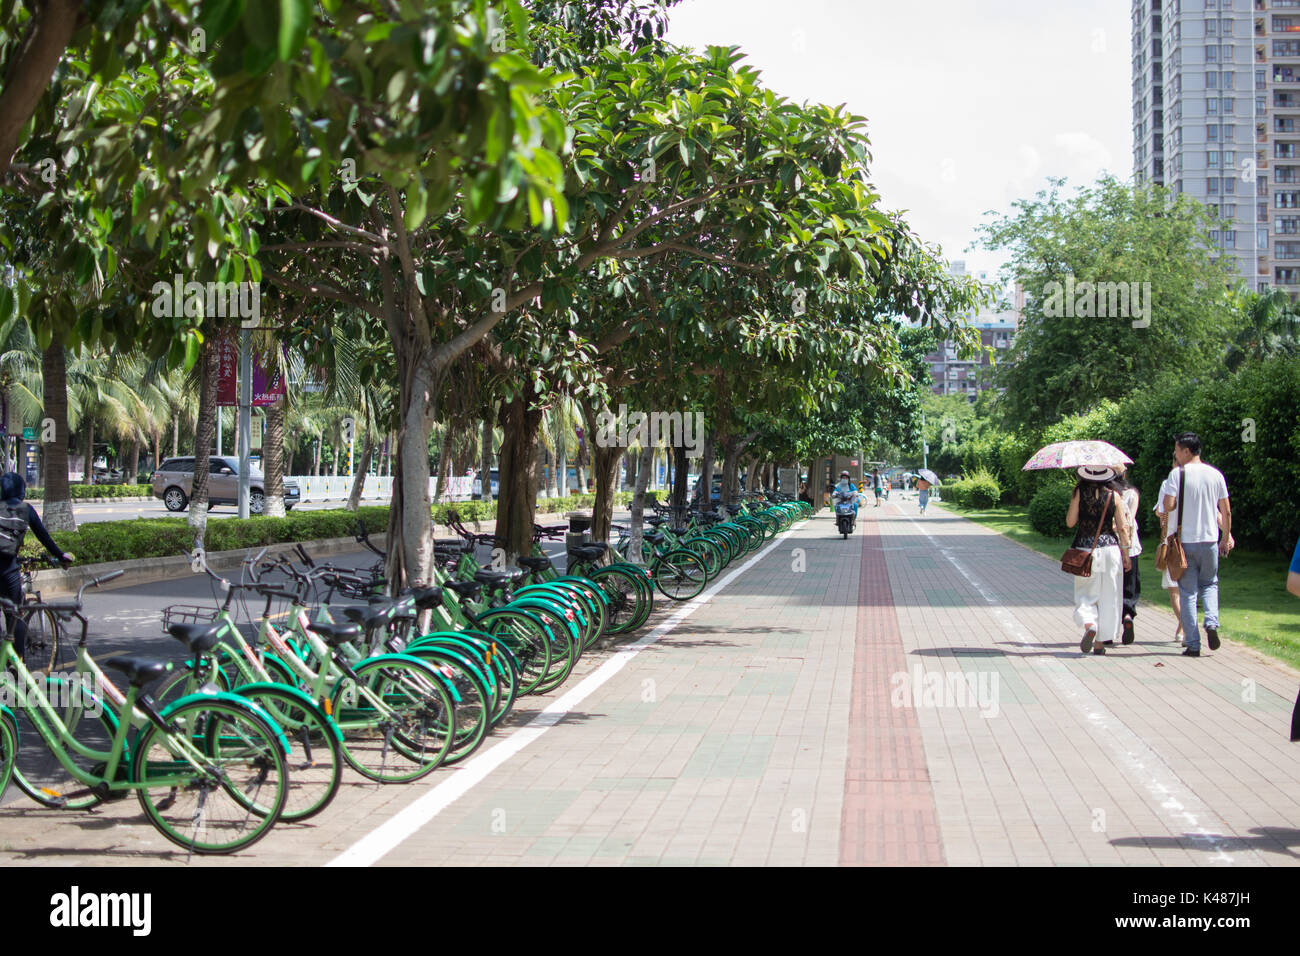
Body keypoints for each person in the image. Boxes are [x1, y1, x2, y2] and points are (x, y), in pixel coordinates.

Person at [1162, 433, 1232, 658]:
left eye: (1177, 450)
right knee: (1210, 584)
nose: (1175, 454)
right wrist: (1225, 537)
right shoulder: (1216, 475)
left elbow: (1168, 505)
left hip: (1185, 543)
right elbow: (1226, 510)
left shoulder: (1177, 474)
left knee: (1188, 592)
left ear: (1186, 451)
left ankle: (1193, 644)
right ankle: (1211, 622)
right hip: (1210, 540)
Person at [0, 472, 74, 660]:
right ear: (21, 490)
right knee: (14, 615)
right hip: (8, 570)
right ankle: (17, 666)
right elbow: (43, 537)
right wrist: (61, 556)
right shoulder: (26, 509)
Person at [1065, 465, 1131, 656]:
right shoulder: (1114, 495)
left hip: (1086, 549)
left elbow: (1070, 522)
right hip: (1110, 549)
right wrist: (1126, 555)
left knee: (1085, 594)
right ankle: (1100, 643)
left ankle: (1090, 624)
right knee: (1109, 596)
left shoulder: (1079, 492)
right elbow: (1123, 528)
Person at [1152, 452, 1186, 644]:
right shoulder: (1200, 480)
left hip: (1172, 542)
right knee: (1189, 590)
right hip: (1194, 541)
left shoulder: (1167, 484)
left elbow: (1160, 511)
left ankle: (1184, 626)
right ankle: (1184, 627)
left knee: (1174, 590)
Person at [1113, 468, 1141, 645]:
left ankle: (1109, 628)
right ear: (1124, 475)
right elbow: (1131, 519)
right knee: (1130, 585)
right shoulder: (1132, 493)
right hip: (1131, 545)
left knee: (1112, 587)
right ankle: (1128, 614)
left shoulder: (1108, 494)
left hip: (1111, 544)